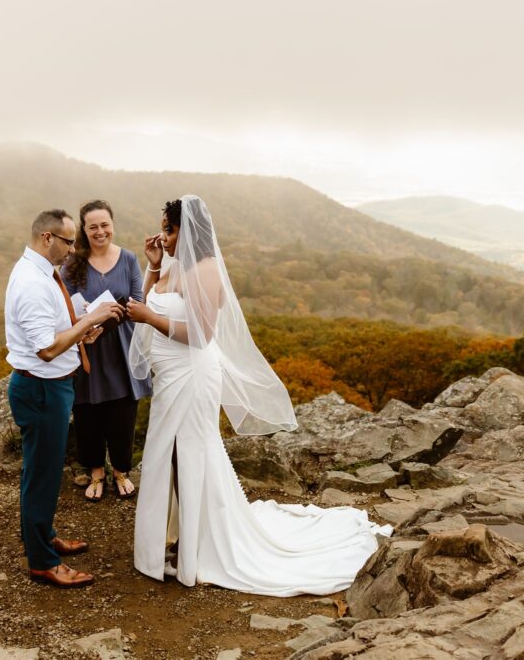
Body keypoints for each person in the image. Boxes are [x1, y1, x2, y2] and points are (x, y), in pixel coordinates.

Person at [125, 195, 392, 597]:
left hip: (193, 375)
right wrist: (152, 265)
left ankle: (198, 546)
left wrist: (148, 318)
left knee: (192, 452)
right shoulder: (174, 265)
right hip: (169, 377)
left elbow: (201, 335)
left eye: (169, 229)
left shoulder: (207, 269)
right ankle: (178, 539)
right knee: (169, 454)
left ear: (188, 231)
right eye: (164, 228)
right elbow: (147, 304)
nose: (164, 235)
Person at [5, 209, 124, 588]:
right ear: (47, 238)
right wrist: (91, 320)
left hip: (49, 386)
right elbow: (46, 350)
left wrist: (79, 328)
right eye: (69, 241)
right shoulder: (32, 283)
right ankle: (43, 561)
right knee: (42, 474)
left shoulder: (43, 272)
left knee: (42, 469)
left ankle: (41, 534)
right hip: (41, 389)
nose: (74, 249)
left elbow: (56, 331)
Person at [61, 200, 152, 502]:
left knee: (122, 412)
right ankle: (96, 471)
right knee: (87, 411)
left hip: (121, 343)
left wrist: (109, 319)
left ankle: (121, 471)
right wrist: (87, 321)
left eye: (104, 225)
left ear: (112, 225)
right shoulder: (72, 262)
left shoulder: (127, 258)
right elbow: (61, 303)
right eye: (92, 227)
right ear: (84, 230)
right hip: (86, 346)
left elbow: (137, 300)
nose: (100, 231)